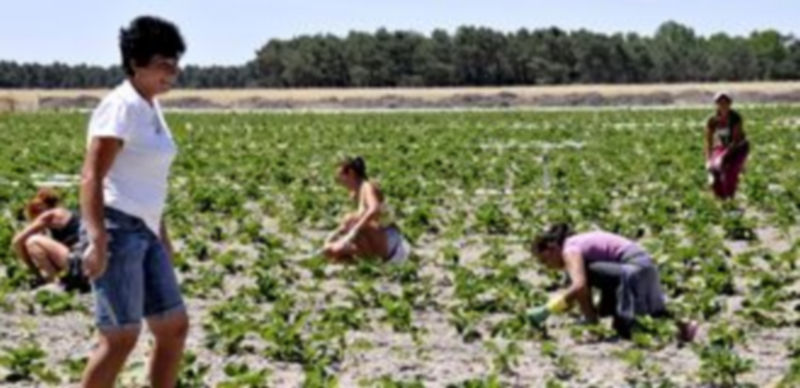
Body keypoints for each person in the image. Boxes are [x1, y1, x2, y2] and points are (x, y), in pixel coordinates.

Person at [78, 16, 188, 388]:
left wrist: (163, 235)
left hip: (147, 229)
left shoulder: (150, 107)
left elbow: (149, 182)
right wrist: (96, 239)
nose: (172, 71)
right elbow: (93, 175)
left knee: (173, 326)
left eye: (175, 62)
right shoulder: (121, 106)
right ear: (136, 62)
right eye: (163, 63)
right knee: (120, 337)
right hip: (117, 228)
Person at [527, 224, 697, 341]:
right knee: (639, 316)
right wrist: (592, 319)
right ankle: (684, 326)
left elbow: (579, 286)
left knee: (627, 329)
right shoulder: (576, 244)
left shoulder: (570, 250)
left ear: (552, 248)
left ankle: (618, 318)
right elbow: (581, 290)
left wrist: (547, 309)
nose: (547, 267)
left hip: (633, 270)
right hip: (645, 268)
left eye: (545, 261)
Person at [323, 156, 410, 263]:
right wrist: (333, 235)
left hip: (392, 242)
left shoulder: (367, 186)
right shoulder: (356, 194)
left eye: (340, 176)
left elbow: (374, 209)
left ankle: (375, 259)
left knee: (351, 220)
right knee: (333, 251)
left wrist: (352, 233)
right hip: (382, 241)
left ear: (351, 173)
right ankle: (369, 263)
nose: (340, 181)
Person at [11, 188, 89, 292]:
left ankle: (52, 283)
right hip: (90, 264)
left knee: (33, 241)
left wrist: (32, 268)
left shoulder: (49, 216)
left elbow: (17, 241)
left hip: (79, 264)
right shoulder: (67, 213)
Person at [705, 92, 749, 200]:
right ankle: (720, 198)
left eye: (726, 102)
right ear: (716, 104)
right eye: (720, 103)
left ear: (730, 104)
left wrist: (724, 157)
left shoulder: (735, 117)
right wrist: (709, 159)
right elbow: (709, 140)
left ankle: (730, 197)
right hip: (723, 147)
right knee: (715, 170)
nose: (723, 105)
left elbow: (736, 140)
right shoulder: (712, 120)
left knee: (730, 172)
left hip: (739, 147)